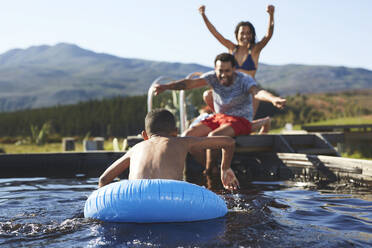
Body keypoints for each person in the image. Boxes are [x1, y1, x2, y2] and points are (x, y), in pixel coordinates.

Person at [154, 53, 285, 173]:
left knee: (213, 136)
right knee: (188, 136)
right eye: (220, 71)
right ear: (215, 69)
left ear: (234, 69)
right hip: (219, 117)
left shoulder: (244, 79)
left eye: (227, 71)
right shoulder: (212, 77)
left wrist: (273, 99)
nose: (223, 74)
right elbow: (190, 83)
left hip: (240, 118)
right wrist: (166, 87)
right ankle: (212, 169)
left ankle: (210, 173)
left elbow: (257, 92)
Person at [98, 108, 239, 190]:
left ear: (144, 135)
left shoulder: (135, 148)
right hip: (170, 199)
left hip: (135, 200)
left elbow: (104, 180)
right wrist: (224, 168)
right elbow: (229, 142)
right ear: (175, 132)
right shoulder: (182, 142)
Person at [198, 5, 275, 118]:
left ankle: (264, 123)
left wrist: (271, 15)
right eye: (242, 33)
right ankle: (220, 115)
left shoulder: (254, 50)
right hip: (231, 91)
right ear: (237, 35)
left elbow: (268, 35)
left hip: (248, 92)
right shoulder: (231, 48)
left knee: (247, 123)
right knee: (207, 95)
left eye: (248, 33)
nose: (245, 36)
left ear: (252, 35)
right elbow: (216, 33)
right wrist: (203, 15)